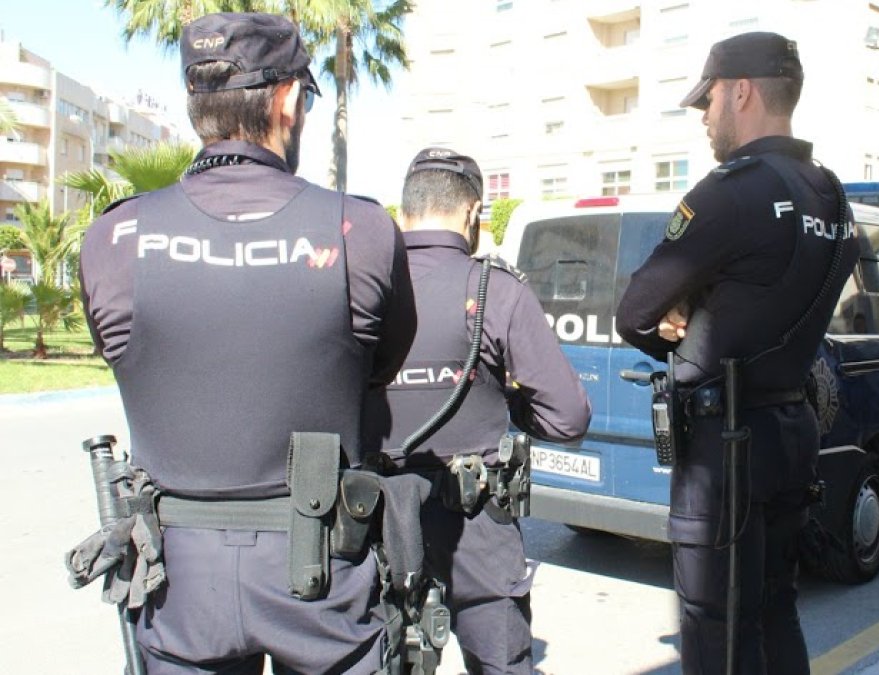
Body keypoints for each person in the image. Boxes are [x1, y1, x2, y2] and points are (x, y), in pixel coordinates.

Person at [78, 13, 418, 671]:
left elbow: (126, 355)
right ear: (289, 99)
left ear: (193, 103)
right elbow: (381, 366)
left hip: (179, 588)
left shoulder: (114, 240)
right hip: (322, 580)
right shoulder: (362, 231)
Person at [614, 32, 858, 675]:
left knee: (715, 624)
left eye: (709, 99)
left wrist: (681, 320)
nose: (704, 117)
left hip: (726, 451)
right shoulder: (832, 195)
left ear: (742, 91)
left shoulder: (731, 191)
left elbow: (635, 313)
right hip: (790, 434)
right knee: (777, 610)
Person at [363, 148, 591, 674]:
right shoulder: (496, 291)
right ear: (472, 215)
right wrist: (501, 397)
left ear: (403, 212)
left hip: (376, 527)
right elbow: (568, 418)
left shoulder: (364, 288)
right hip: (478, 535)